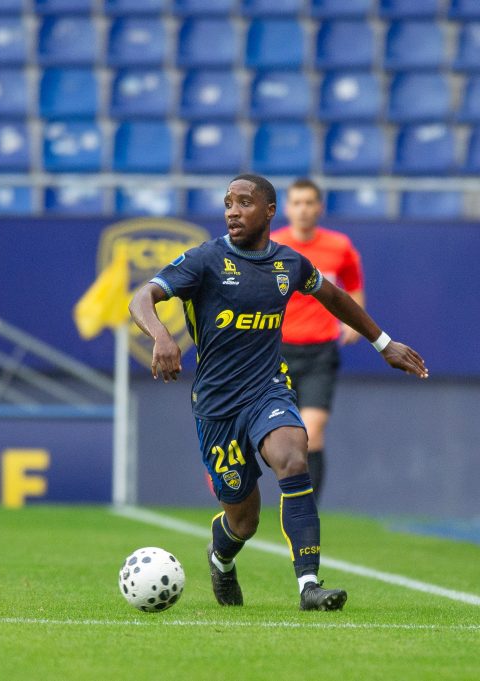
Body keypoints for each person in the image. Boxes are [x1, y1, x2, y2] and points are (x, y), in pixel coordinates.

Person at [128, 174, 428, 611]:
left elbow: (335, 297)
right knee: (243, 521)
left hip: (267, 389)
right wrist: (161, 336)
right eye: (228, 203)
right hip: (217, 406)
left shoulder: (290, 265)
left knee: (293, 457)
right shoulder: (204, 260)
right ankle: (221, 559)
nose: (233, 211)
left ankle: (309, 586)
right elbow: (143, 296)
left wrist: (383, 343)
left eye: (244, 203)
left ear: (269, 211)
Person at [272, 179, 364, 502]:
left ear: (320, 208)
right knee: (280, 436)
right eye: (297, 203)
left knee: (310, 433)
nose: (303, 209)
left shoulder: (339, 246)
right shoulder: (272, 246)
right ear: (286, 208)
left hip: (320, 353)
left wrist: (354, 320)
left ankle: (306, 509)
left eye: (309, 202)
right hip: (276, 354)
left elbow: (353, 286)